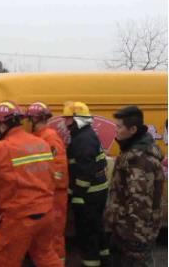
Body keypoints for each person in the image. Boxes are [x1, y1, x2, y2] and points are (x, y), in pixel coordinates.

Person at [0, 101, 63, 267]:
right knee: (45, 256)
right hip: (46, 213)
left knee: (4, 260)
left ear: (1, 125)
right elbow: (52, 176)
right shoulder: (41, 143)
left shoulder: (2, 148)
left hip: (19, 218)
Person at [104, 106, 165, 267]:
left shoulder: (139, 160)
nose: (115, 130)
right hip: (128, 229)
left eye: (119, 127)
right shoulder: (132, 151)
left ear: (132, 129)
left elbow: (139, 204)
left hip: (134, 233)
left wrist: (132, 237)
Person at [63, 101, 110, 267]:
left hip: (89, 194)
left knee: (87, 233)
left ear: (77, 119)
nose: (65, 123)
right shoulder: (85, 135)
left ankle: (92, 263)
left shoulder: (82, 140)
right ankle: (104, 258)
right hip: (95, 192)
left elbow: (84, 172)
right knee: (97, 228)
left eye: (68, 119)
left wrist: (77, 196)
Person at [27, 102, 69, 262]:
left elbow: (59, 172)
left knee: (54, 236)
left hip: (54, 195)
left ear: (35, 119)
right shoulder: (39, 137)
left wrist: (44, 186)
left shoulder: (50, 138)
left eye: (29, 119)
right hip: (45, 194)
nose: (27, 123)